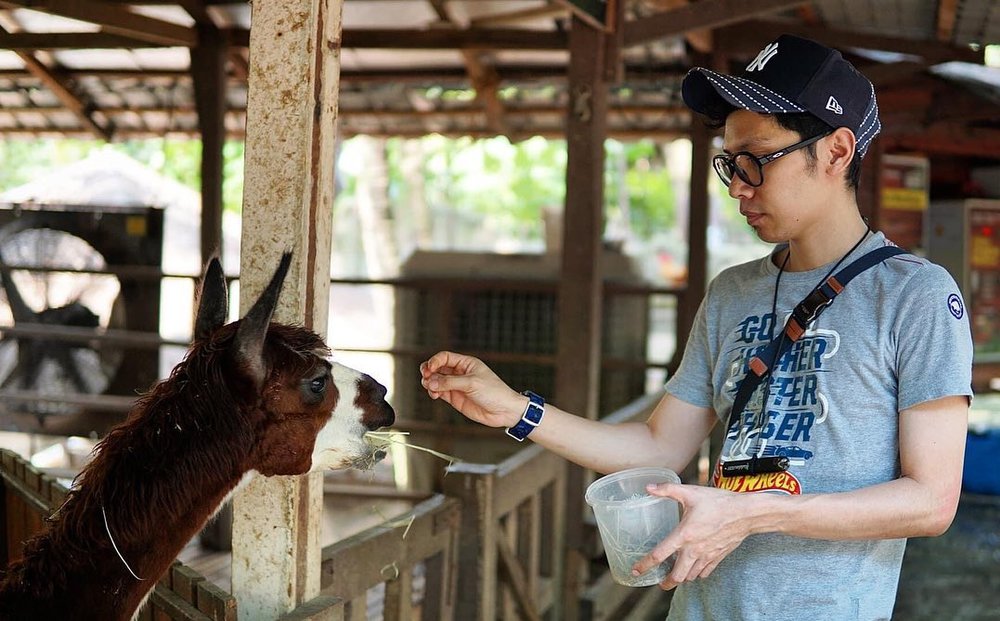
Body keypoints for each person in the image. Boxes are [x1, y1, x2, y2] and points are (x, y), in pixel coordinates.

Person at [419, 34, 973, 620]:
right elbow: (659, 446)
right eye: (730, 164)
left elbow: (930, 501)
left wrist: (755, 511)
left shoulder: (916, 295)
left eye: (758, 159)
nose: (737, 185)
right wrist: (516, 412)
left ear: (836, 152)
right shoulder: (732, 293)